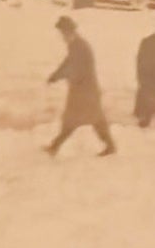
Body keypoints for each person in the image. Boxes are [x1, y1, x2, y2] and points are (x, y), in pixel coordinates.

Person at [45, 16, 115, 157]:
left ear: (69, 31)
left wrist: (62, 76)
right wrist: (56, 75)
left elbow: (76, 68)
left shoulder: (80, 46)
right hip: (83, 90)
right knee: (92, 119)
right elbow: (67, 63)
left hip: (85, 90)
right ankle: (110, 146)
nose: (62, 37)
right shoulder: (75, 45)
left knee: (80, 119)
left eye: (63, 33)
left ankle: (55, 146)